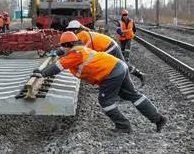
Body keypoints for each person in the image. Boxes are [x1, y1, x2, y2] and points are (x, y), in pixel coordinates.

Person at [32, 32, 167, 133]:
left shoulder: (75, 55)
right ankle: (158, 119)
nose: (62, 50)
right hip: (119, 66)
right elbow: (63, 51)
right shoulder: (80, 47)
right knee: (132, 95)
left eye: (63, 46)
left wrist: (42, 73)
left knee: (106, 102)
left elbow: (57, 67)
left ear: (67, 45)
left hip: (111, 73)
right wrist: (56, 53)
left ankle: (123, 126)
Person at [65, 20, 146, 85]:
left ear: (74, 30)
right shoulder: (83, 32)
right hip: (110, 46)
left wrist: (61, 53)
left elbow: (73, 48)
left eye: (69, 31)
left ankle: (128, 87)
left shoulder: (80, 35)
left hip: (109, 48)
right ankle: (137, 76)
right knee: (121, 65)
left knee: (116, 67)